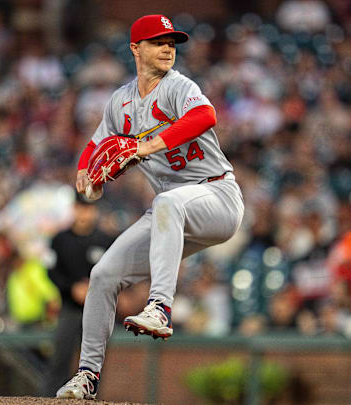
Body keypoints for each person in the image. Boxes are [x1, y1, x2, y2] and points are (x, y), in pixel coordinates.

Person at [56, 14, 244, 399]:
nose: (168, 48)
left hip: (217, 198)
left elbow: (206, 115)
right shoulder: (121, 102)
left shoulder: (177, 87)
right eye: (158, 42)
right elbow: (94, 147)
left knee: (166, 202)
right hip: (170, 214)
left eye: (171, 42)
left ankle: (160, 306)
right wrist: (83, 174)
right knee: (104, 274)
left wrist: (147, 146)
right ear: (135, 49)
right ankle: (87, 376)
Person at [43, 193, 113, 396]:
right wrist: (71, 287)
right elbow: (51, 271)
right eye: (82, 208)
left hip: (98, 310)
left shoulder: (105, 240)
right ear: (74, 208)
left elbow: (115, 273)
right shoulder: (59, 239)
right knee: (60, 359)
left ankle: (90, 398)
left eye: (89, 208)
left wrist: (94, 288)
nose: (85, 213)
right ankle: (49, 398)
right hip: (70, 308)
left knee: (94, 365)